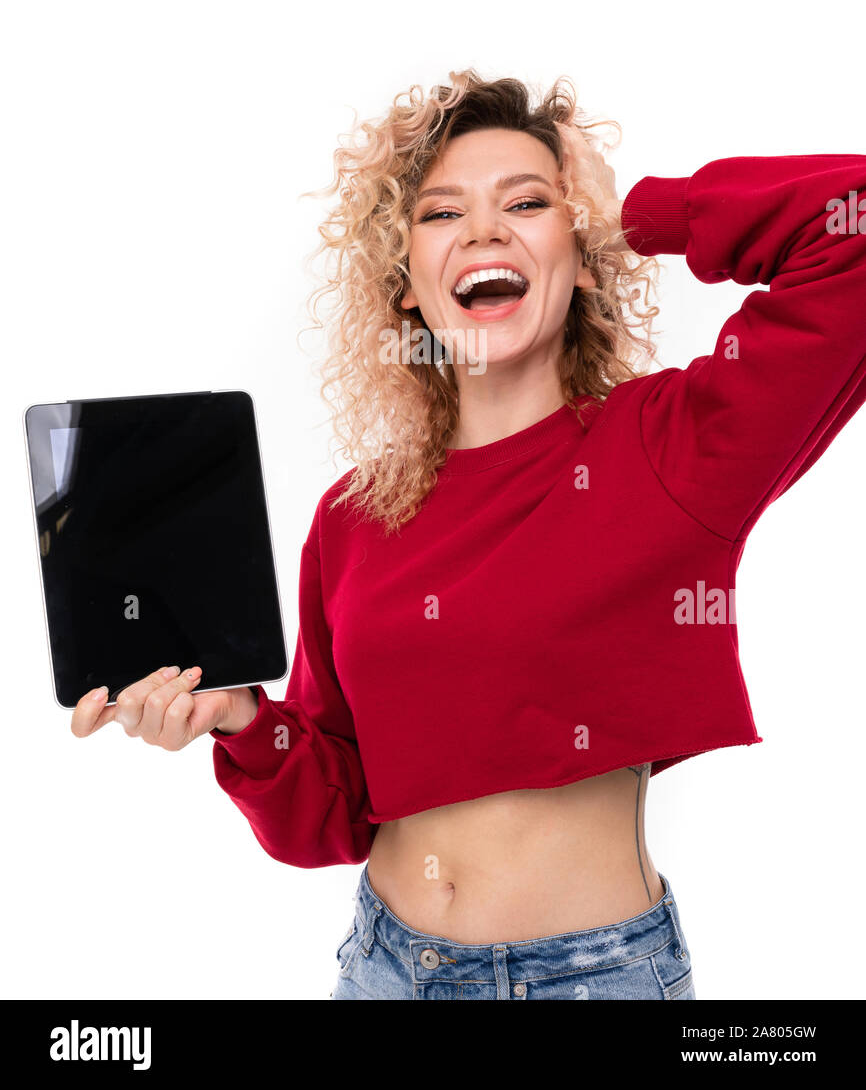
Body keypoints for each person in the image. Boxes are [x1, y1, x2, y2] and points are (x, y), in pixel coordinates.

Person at [72, 70, 866, 1001]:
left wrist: (638, 213)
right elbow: (335, 808)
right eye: (442, 214)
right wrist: (244, 722)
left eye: (529, 204)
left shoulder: (670, 447)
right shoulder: (354, 516)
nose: (486, 230)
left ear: (582, 254)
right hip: (383, 966)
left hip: (593, 981)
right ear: (408, 286)